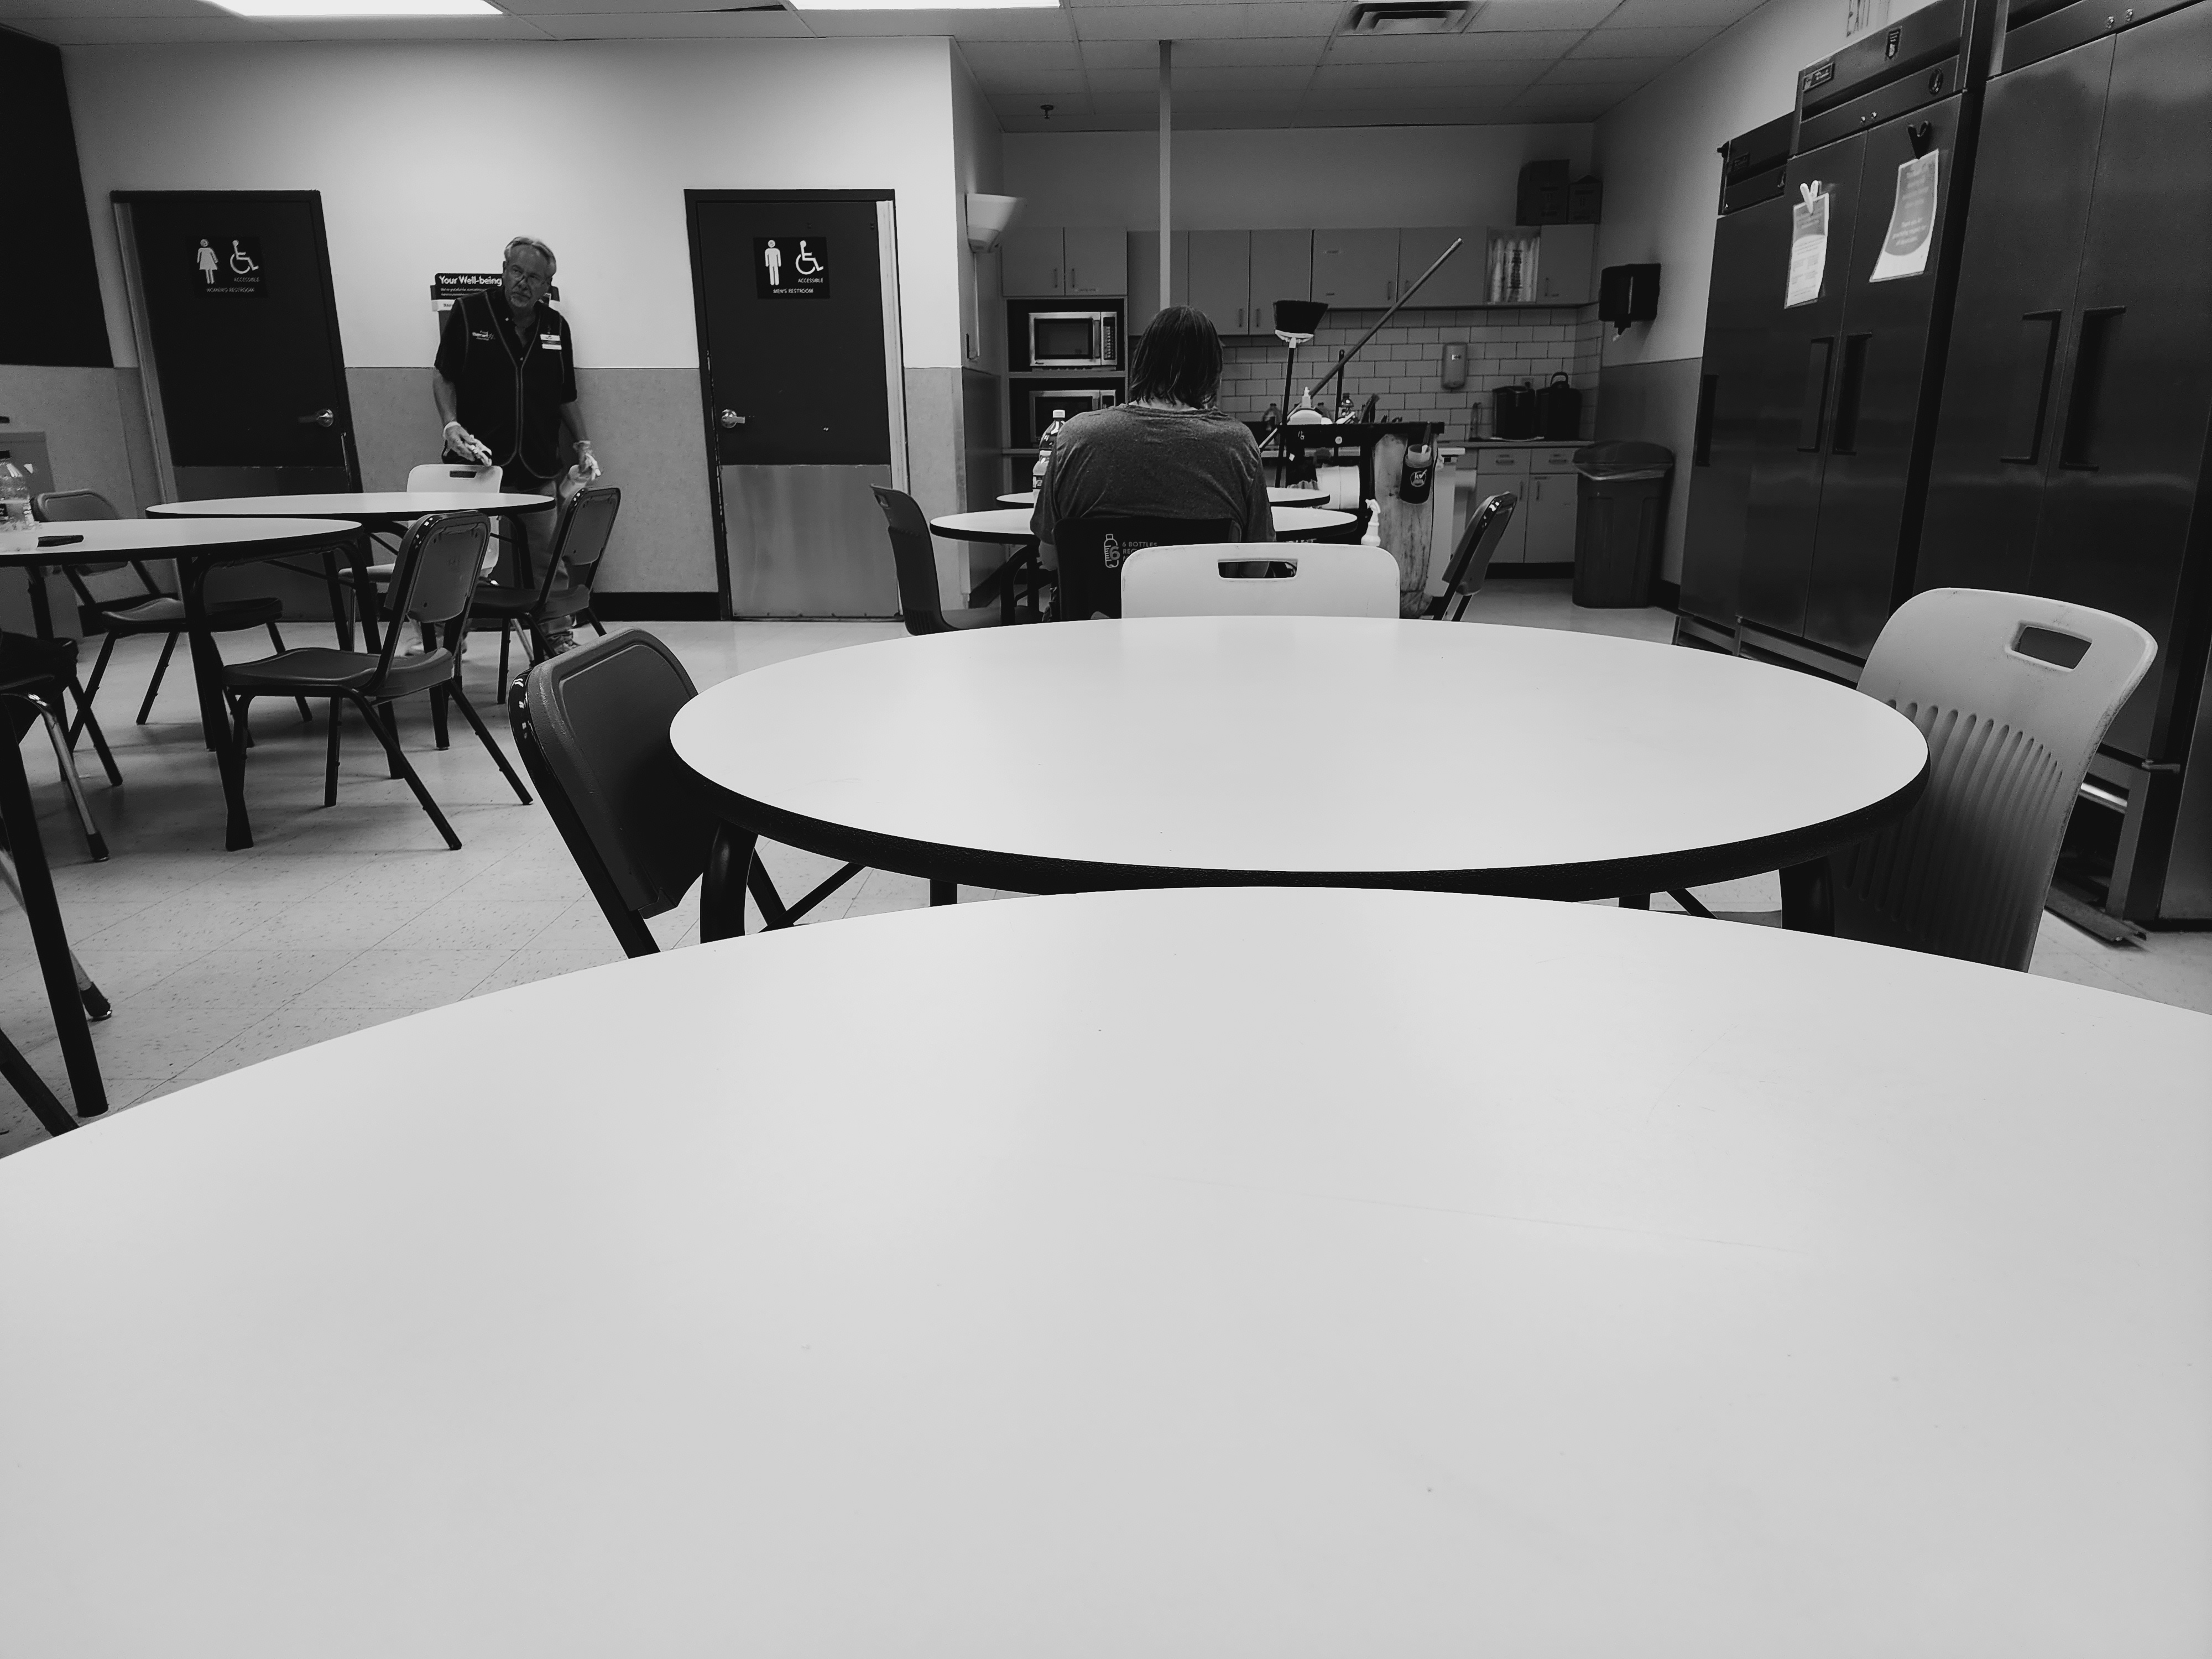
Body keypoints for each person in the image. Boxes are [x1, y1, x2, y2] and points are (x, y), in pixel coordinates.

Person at [434, 236, 599, 652]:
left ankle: (557, 635)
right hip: (477, 464)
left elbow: (565, 396)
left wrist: (582, 443)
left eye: (535, 278)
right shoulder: (470, 312)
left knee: (548, 558)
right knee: (462, 556)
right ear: (504, 271)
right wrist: (450, 425)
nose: (523, 283)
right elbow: (443, 375)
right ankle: (446, 641)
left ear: (547, 286)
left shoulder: (556, 328)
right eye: (516, 272)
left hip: (536, 464)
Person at [1030, 305, 1272, 562]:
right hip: (1201, 591)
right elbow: (1257, 566)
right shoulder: (1238, 444)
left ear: (1142, 363)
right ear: (1213, 373)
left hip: (1103, 592)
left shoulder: (1075, 437)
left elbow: (1050, 558)